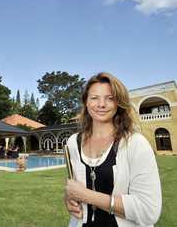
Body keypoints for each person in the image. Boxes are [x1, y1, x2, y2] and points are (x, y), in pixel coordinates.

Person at [65, 72, 162, 227]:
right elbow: (75, 186)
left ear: (118, 103)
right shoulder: (72, 143)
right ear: (86, 102)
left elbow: (148, 211)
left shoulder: (135, 143)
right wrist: (69, 198)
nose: (101, 104)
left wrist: (87, 196)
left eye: (110, 98)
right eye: (94, 98)